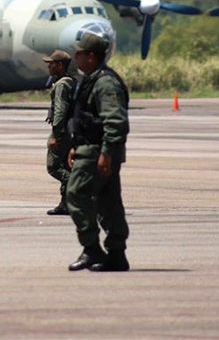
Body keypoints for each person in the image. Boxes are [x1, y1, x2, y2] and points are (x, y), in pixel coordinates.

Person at [66, 33, 130, 272]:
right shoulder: (91, 79)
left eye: (80, 53)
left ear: (91, 57)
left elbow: (115, 121)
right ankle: (116, 254)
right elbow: (85, 118)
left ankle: (92, 249)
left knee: (76, 194)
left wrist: (106, 153)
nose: (76, 57)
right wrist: (75, 145)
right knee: (108, 201)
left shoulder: (105, 83)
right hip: (91, 148)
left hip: (97, 152)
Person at [43, 50, 75, 215]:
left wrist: (55, 134)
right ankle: (66, 203)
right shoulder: (70, 81)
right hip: (69, 131)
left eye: (52, 63)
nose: (49, 66)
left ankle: (78, 186)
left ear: (60, 65)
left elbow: (61, 111)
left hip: (62, 132)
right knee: (64, 166)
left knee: (54, 166)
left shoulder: (62, 84)